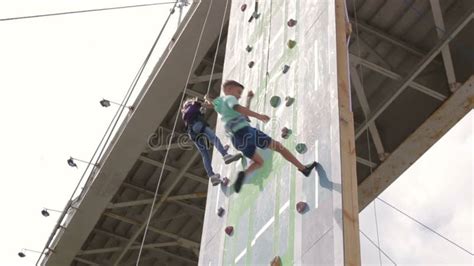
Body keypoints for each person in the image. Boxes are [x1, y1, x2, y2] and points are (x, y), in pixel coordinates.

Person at [206, 80, 317, 193]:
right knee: (279, 148)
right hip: (245, 132)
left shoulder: (219, 105)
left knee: (259, 162)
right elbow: (238, 108)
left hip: (237, 140)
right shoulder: (229, 98)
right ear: (229, 89)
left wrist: (208, 100)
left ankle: (244, 174)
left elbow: (214, 104)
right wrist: (259, 116)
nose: (239, 96)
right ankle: (303, 168)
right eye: (238, 92)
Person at [181, 97, 242, 186]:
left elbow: (197, 114)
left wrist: (201, 112)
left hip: (192, 133)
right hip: (197, 125)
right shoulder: (194, 104)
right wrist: (206, 100)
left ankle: (212, 176)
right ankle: (225, 155)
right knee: (214, 138)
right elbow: (210, 105)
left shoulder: (185, 114)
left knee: (204, 153)